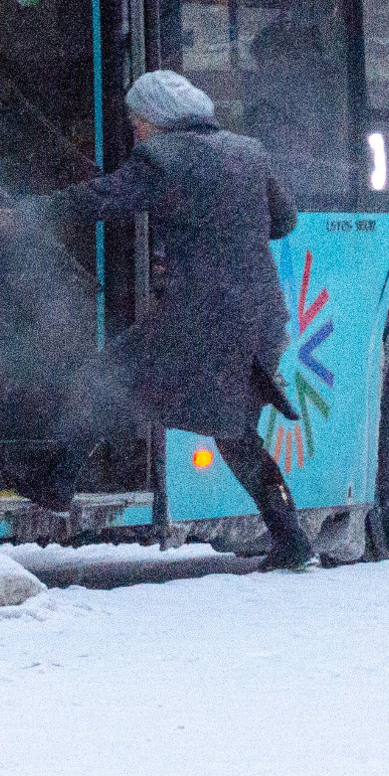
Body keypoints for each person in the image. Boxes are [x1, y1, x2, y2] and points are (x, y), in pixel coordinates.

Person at [40, 68, 313, 570]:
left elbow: (99, 199)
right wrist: (228, 234)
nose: (135, 130)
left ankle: (52, 486)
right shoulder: (249, 152)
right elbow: (285, 221)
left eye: (136, 120)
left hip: (201, 317)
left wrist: (27, 212)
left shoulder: (164, 158)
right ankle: (291, 540)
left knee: (101, 379)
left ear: (158, 119)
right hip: (259, 317)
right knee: (234, 432)